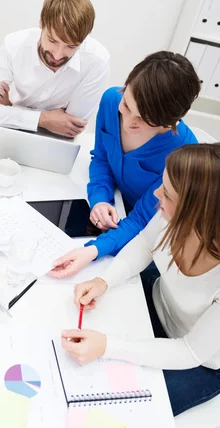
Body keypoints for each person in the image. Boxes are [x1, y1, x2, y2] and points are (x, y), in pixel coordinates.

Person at [61, 143, 220, 417]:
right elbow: (146, 244)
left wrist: (107, 347)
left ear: (200, 215)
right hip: (157, 300)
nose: (157, 194)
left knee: (116, 410)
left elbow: (190, 351)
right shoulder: (172, 214)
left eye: (167, 194)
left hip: (198, 360)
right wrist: (104, 281)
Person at [50, 51, 201, 277]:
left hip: (147, 235)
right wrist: (100, 199)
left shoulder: (182, 153)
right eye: (127, 106)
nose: (129, 122)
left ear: (170, 122)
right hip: (113, 214)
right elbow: (101, 158)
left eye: (144, 120)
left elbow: (142, 220)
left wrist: (93, 250)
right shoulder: (111, 100)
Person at [0, 0, 110, 138]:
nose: (58, 55)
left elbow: (70, 128)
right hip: (11, 131)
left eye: (71, 46)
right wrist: (43, 119)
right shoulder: (15, 44)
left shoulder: (97, 61)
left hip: (60, 140)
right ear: (41, 24)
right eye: (53, 41)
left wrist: (10, 110)